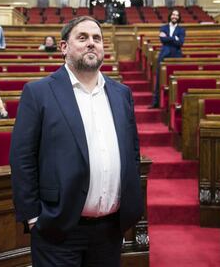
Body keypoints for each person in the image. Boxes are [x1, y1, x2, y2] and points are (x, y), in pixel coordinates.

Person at [9, 16, 143, 267]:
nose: (91, 43)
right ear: (64, 47)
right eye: (82, 38)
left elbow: (132, 151)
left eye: (97, 39)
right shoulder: (38, 93)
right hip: (58, 227)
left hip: (110, 228)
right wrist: (33, 217)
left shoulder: (121, 93)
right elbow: (22, 158)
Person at [150, 9, 186, 108]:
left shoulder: (181, 30)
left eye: (177, 15)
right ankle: (156, 102)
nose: (175, 16)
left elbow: (181, 43)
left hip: (176, 56)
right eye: (173, 14)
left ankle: (175, 102)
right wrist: (174, 38)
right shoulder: (163, 27)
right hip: (164, 55)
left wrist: (169, 38)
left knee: (176, 79)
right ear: (170, 16)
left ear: (179, 18)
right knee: (159, 79)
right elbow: (162, 40)